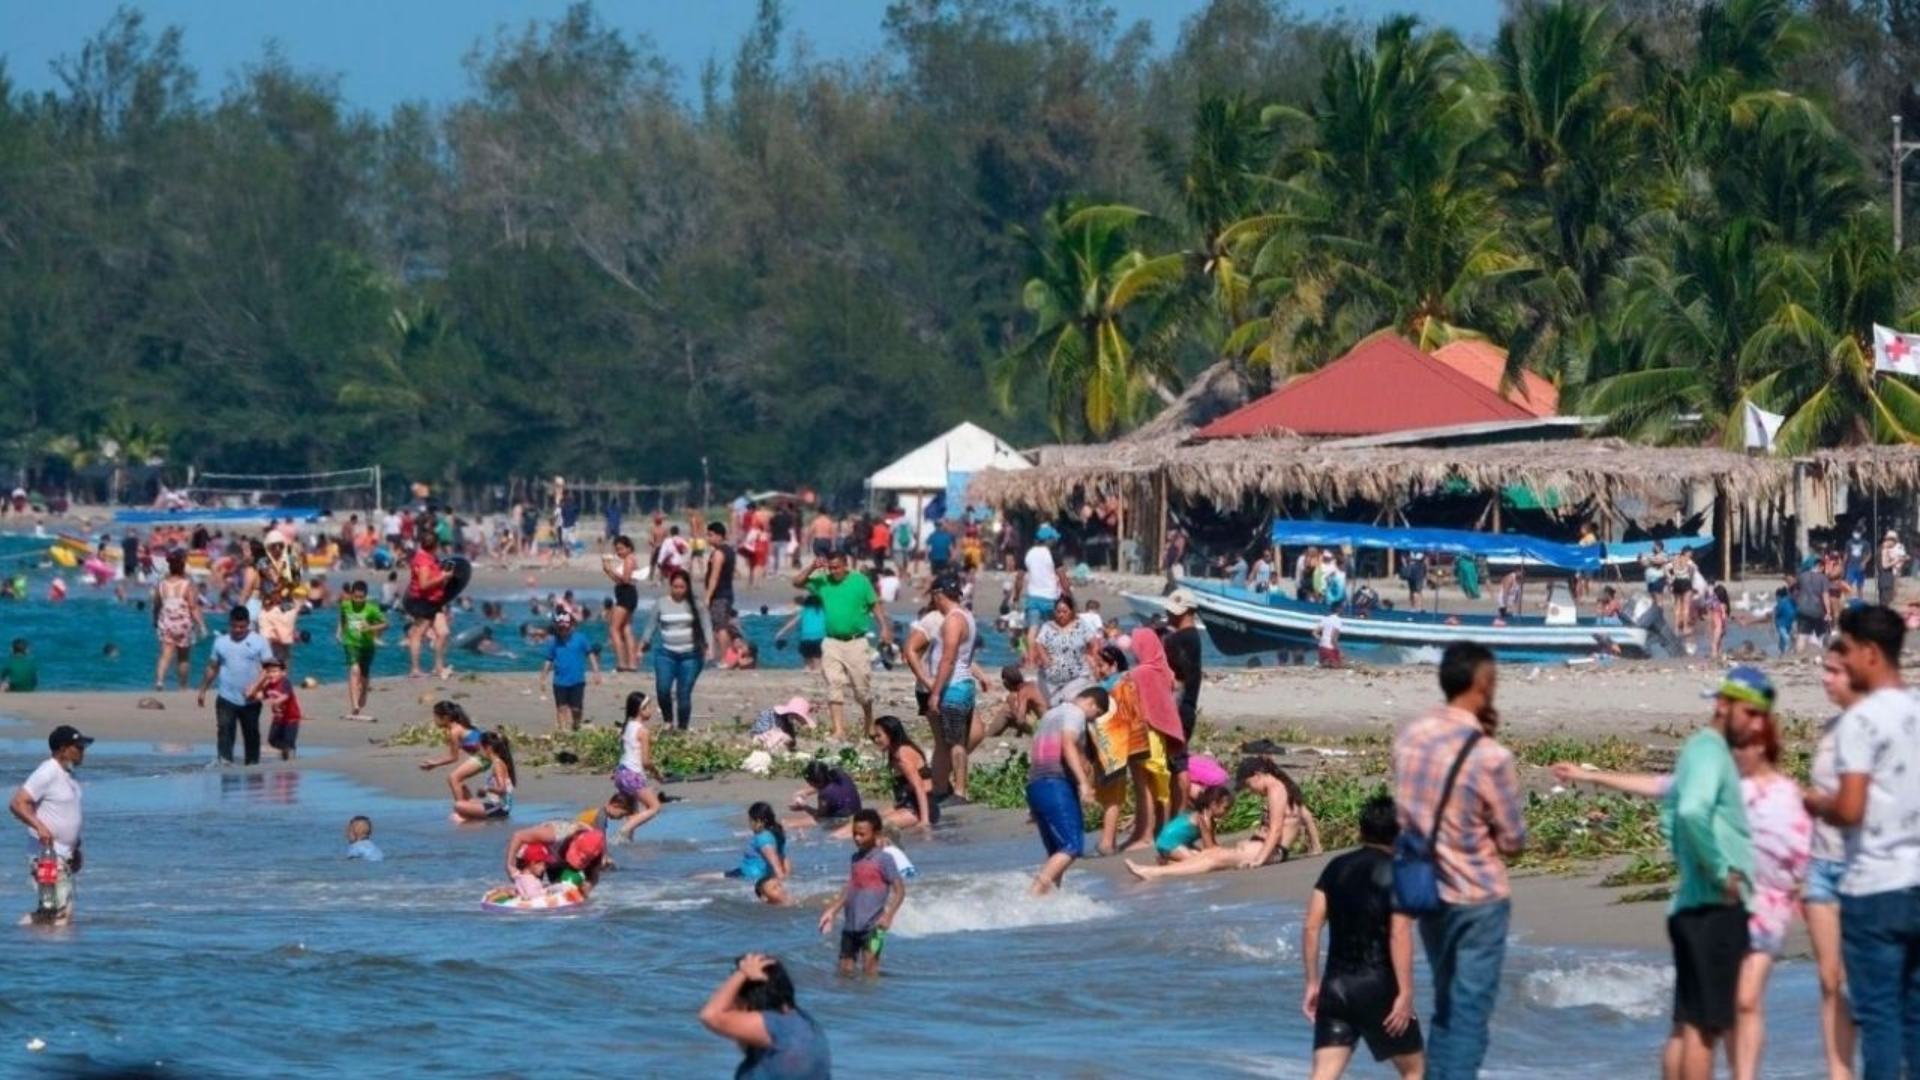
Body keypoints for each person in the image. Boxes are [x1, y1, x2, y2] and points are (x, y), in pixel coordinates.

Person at [1392, 641, 1526, 1079]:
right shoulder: (1490, 756)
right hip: (1478, 895)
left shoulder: (1410, 738)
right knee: (1468, 1016)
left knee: (1447, 1006)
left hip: (1429, 889)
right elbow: (1513, 840)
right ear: (1483, 684)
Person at [1806, 604, 1920, 1080]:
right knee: (1914, 1015)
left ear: (1871, 653)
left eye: (1848, 651)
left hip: (1874, 885)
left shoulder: (1861, 720)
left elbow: (1849, 809)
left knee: (1878, 1017)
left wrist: (1817, 804)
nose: (1844, 661)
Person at [1302, 795, 1424, 1080]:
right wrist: (1405, 993)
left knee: (1323, 1074)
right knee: (1415, 1071)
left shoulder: (1335, 867)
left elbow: (1311, 927)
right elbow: (1399, 933)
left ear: (1362, 830)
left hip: (1335, 989)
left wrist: (1312, 983)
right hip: (1379, 988)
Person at [1804, 642, 1860, 1080]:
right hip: (1822, 865)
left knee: (1871, 978)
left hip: (1869, 867)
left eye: (1834, 671)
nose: (1825, 678)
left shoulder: (1887, 728)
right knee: (1829, 978)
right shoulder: (1829, 729)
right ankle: (1838, 1073)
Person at [1125, 756, 1319, 880]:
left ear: (1258, 775)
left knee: (1213, 857)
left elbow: (1275, 831)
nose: (1250, 790)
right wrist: (1316, 845)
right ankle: (1163, 869)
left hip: (1268, 851)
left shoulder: (1276, 789)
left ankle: (1154, 872)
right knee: (1210, 854)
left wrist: (1260, 860)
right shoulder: (1285, 790)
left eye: (1248, 784)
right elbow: (1306, 814)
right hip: (1258, 848)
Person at [792, 551, 891, 741]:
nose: (833, 571)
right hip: (831, 642)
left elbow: (874, 604)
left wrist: (884, 627)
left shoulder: (860, 581)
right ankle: (839, 730)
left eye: (837, 567)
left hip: (856, 642)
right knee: (834, 684)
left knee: (862, 690)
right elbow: (797, 582)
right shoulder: (824, 581)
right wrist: (812, 567)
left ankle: (869, 722)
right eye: (830, 567)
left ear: (846, 565)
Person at [698, 953, 831, 1080]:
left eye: (735, 1001)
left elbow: (710, 1015)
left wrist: (742, 973)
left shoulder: (776, 1027)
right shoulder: (806, 1024)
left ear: (749, 998)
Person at [1024, 686, 1105, 894]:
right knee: (1072, 845)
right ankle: (1032, 895)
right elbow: (1067, 743)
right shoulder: (1075, 713)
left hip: (1036, 786)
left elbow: (1035, 752)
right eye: (1096, 714)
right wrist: (1084, 783)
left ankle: (1048, 900)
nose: (1093, 720)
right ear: (1091, 703)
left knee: (1056, 851)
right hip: (1055, 784)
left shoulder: (1050, 714)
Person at [10, 725, 91, 925]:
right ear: (63, 749)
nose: (83, 752)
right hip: (47, 856)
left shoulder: (68, 776)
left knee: (49, 913)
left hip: (64, 855)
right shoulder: (47, 771)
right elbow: (18, 803)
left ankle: (24, 936)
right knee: (60, 914)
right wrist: (39, 827)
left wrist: (75, 848)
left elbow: (66, 814)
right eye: (78, 747)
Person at [819, 808, 907, 977]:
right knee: (844, 972)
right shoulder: (855, 858)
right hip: (850, 926)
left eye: (862, 834)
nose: (857, 838)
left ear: (876, 834)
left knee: (870, 972)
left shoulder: (884, 859)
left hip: (874, 929)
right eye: (855, 834)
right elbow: (851, 887)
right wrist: (832, 911)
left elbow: (900, 891)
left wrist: (888, 916)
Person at [921, 574, 980, 801]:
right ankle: (956, 789)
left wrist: (935, 692)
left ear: (939, 595)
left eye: (933, 596)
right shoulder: (967, 615)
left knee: (955, 743)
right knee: (958, 741)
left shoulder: (954, 620)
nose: (933, 601)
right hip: (963, 685)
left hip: (954, 687)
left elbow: (948, 658)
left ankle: (959, 791)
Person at [639, 569, 714, 731]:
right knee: (662, 689)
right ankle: (668, 721)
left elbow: (707, 626)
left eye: (682, 587)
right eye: (675, 587)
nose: (678, 590)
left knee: (683, 693)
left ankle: (682, 729)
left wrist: (709, 646)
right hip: (666, 655)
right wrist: (644, 643)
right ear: (670, 586)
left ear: (687, 587)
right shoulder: (661, 603)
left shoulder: (697, 604)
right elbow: (650, 626)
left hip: (691, 656)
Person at [197, 607, 272, 765]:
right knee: (225, 730)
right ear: (230, 623)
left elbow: (269, 669)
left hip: (251, 699)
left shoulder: (259, 641)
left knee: (251, 733)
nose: (238, 630)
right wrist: (203, 690)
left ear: (248, 624)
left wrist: (256, 687)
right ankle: (225, 762)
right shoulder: (221, 642)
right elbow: (212, 668)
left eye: (242, 627)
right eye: (234, 626)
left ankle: (252, 764)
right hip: (226, 696)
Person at [857, 715, 937, 833]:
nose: (876, 740)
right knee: (861, 820)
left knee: (870, 827)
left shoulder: (902, 755)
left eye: (879, 736)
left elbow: (919, 787)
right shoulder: (895, 751)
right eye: (874, 737)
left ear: (891, 734)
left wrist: (925, 821)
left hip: (921, 808)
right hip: (908, 803)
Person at [1163, 589, 1204, 810]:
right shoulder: (1192, 636)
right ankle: (1176, 813)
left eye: (1174, 612)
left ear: (1188, 612)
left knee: (1176, 765)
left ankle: (1177, 813)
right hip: (1186, 707)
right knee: (1177, 763)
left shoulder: (1179, 639)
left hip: (1178, 708)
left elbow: (1177, 677)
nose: (1169, 615)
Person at [608, 691, 665, 841]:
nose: (651, 710)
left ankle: (628, 843)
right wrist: (657, 774)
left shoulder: (627, 727)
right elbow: (646, 762)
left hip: (621, 774)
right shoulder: (643, 731)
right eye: (648, 707)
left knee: (632, 813)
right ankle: (623, 831)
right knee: (655, 806)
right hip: (632, 776)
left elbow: (625, 753)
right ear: (641, 710)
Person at [505, 818, 607, 896]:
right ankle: (516, 890)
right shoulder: (554, 834)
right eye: (577, 856)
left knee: (563, 888)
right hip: (535, 855)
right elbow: (518, 836)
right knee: (528, 884)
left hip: (556, 861)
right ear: (574, 840)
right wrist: (510, 865)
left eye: (584, 860)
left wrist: (588, 885)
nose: (579, 861)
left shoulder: (596, 850)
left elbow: (593, 876)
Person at [538, 611, 601, 732]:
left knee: (576, 708)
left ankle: (576, 725)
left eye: (565, 628)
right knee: (561, 708)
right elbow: (548, 660)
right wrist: (543, 677)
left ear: (572, 626)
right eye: (560, 628)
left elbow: (590, 655)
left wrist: (596, 672)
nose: (563, 631)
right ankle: (563, 730)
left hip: (577, 680)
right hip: (559, 681)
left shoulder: (580, 638)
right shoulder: (554, 642)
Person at [152, 549, 204, 691]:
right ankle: (183, 687)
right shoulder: (187, 584)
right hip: (183, 624)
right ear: (183, 566)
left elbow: (156, 605)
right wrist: (202, 625)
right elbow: (193, 607)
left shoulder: (161, 584)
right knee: (183, 657)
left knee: (165, 654)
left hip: (166, 622)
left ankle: (160, 681)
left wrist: (155, 620)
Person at [1028, 595, 1095, 706]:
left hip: (1077, 675)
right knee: (1052, 705)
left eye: (1064, 611)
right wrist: (1044, 657)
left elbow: (1093, 642)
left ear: (1071, 611)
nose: (1061, 615)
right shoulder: (1048, 627)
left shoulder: (1080, 625)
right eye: (1058, 612)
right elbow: (1039, 643)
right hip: (1051, 677)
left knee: (1069, 701)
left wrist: (1090, 656)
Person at [404, 530, 453, 679]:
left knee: (443, 633)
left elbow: (435, 580)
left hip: (434, 601)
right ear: (436, 545)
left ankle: (438, 667)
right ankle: (415, 670)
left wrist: (445, 577)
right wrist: (443, 576)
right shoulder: (423, 561)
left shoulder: (431, 558)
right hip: (422, 601)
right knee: (417, 634)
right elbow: (424, 584)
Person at [337, 579, 388, 719]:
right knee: (354, 670)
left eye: (361, 597)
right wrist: (339, 632)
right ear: (351, 595)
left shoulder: (372, 609)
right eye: (356, 597)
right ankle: (355, 705)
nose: (358, 600)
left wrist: (370, 628)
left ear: (366, 596)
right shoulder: (345, 605)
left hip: (367, 646)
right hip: (350, 643)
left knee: (364, 675)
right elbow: (342, 618)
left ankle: (364, 691)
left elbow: (385, 624)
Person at [1148, 783, 1234, 864]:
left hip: (1181, 843)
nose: (1227, 812)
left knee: (1201, 855)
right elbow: (1209, 848)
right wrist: (1224, 854)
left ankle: (1169, 858)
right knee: (1200, 862)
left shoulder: (1209, 819)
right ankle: (1167, 861)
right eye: (1226, 808)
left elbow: (1213, 843)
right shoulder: (1203, 819)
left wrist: (1224, 852)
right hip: (1168, 843)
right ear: (1214, 804)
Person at [728, 802, 790, 905]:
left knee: (705, 880)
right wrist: (786, 875)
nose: (750, 824)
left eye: (751, 820)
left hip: (752, 878)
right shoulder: (775, 833)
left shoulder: (763, 838)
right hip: (751, 875)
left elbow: (775, 861)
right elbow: (783, 857)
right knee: (706, 877)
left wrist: (781, 881)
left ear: (759, 822)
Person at [451, 730, 516, 822]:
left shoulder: (497, 764)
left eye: (480, 748)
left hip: (500, 808)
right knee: (463, 788)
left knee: (458, 806)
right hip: (493, 804)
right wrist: (485, 793)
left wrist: (486, 789)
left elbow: (502, 790)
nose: (479, 751)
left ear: (488, 748)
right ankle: (471, 818)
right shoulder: (496, 763)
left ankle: (471, 820)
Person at [1012, 523, 1067, 631]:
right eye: (1053, 539)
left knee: (1033, 629)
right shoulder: (1054, 555)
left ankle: (1031, 642)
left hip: (1033, 598)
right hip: (1050, 599)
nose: (1055, 541)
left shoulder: (1028, 554)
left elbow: (1019, 578)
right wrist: (1069, 595)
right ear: (1048, 540)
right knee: (1052, 629)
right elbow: (1063, 578)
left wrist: (1016, 596)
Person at [250, 656, 303, 761]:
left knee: (288, 740)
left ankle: (290, 756)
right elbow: (262, 695)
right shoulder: (269, 685)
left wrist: (276, 701)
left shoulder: (285, 683)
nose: (271, 674)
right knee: (272, 740)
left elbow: (286, 696)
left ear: (283, 673)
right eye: (269, 672)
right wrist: (253, 695)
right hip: (278, 718)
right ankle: (286, 750)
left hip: (291, 718)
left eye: (274, 671)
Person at [603, 534, 641, 671]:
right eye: (617, 550)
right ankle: (632, 664)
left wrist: (611, 569)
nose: (619, 552)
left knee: (614, 629)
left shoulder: (629, 559)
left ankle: (621, 663)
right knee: (626, 629)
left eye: (621, 549)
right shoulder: (629, 559)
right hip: (627, 594)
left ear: (629, 548)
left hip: (626, 596)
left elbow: (625, 580)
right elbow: (621, 581)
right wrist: (608, 571)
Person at [789, 760, 862, 827]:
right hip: (857, 815)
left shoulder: (824, 794)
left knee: (790, 824)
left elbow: (820, 816)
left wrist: (804, 807)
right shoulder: (840, 774)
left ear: (811, 782)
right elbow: (823, 784)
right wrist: (805, 792)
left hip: (843, 821)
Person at [706, 522, 740, 663]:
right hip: (727, 594)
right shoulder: (729, 551)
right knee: (722, 626)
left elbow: (714, 576)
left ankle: (725, 659)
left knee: (720, 628)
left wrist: (707, 597)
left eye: (710, 535)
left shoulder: (719, 553)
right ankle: (728, 657)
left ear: (719, 536)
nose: (708, 538)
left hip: (719, 595)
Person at [774, 594, 827, 672]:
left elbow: (793, 622)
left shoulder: (804, 611)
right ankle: (817, 668)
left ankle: (808, 667)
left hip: (805, 637)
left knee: (806, 654)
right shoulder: (823, 611)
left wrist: (781, 631)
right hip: (819, 637)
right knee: (817, 655)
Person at [1796, 555, 1833, 651]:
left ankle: (1798, 655)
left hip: (1803, 609)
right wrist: (1828, 612)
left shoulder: (1802, 576)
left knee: (1802, 635)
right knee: (1822, 634)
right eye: (1822, 566)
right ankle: (1824, 654)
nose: (1823, 568)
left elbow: (1796, 592)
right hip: (1817, 610)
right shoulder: (1823, 578)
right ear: (1819, 566)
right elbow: (1825, 596)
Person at [1879, 530, 1908, 606]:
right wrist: (1895, 561)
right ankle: (1889, 600)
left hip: (1895, 569)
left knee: (1893, 586)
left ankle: (1891, 598)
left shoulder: (1900, 546)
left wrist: (1899, 562)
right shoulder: (1884, 548)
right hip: (1887, 573)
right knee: (1886, 591)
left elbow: (1903, 556)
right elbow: (1884, 564)